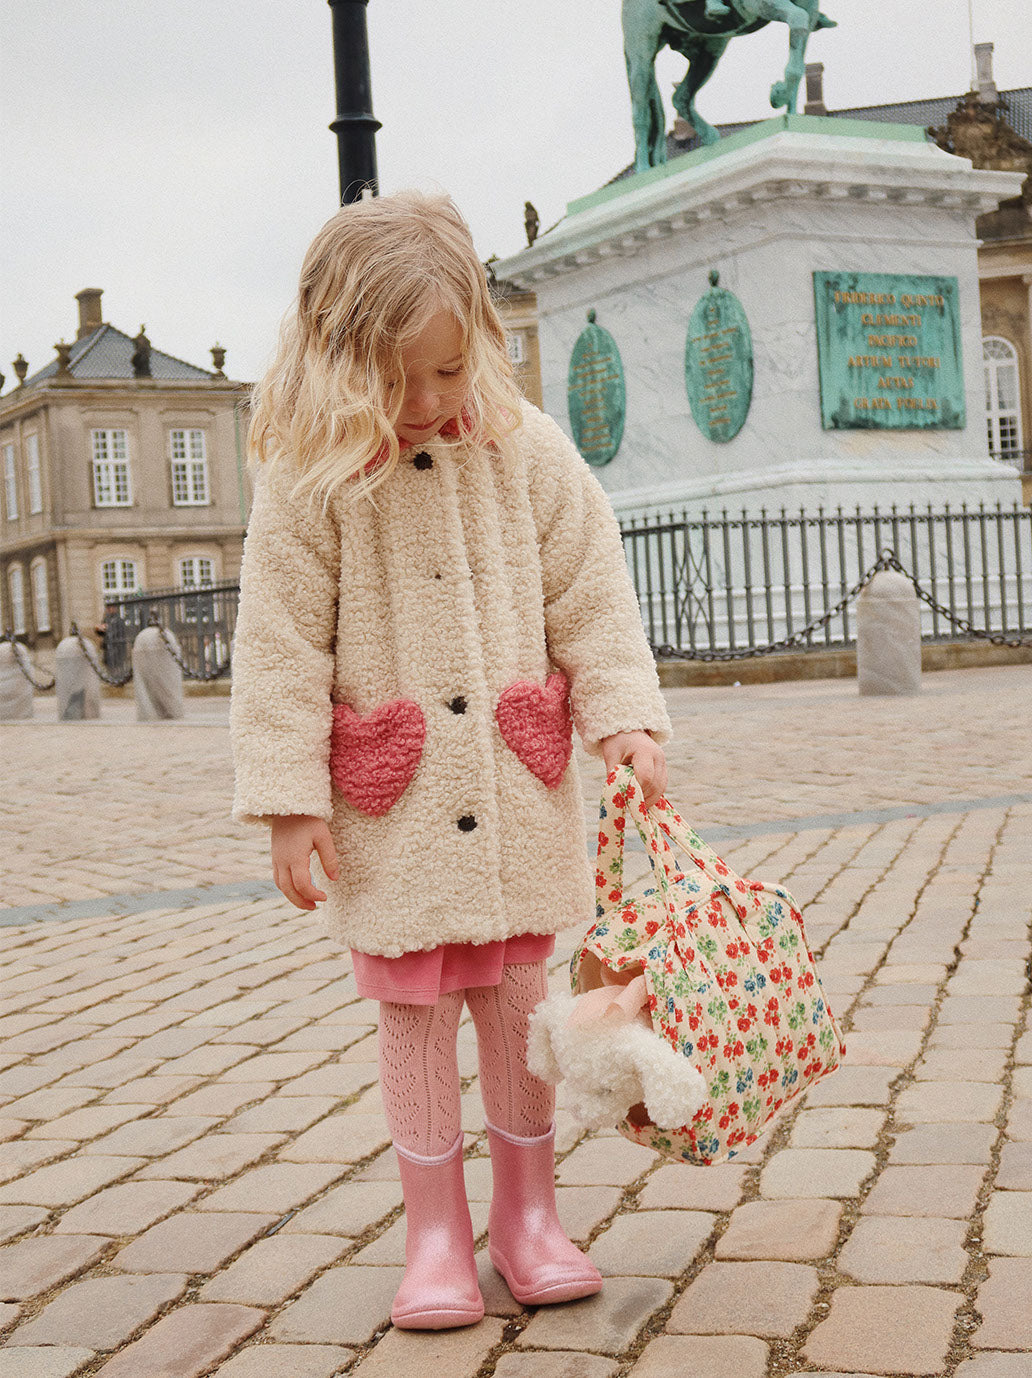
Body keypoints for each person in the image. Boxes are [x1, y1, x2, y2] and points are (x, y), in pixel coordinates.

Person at [230, 190, 672, 1331]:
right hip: (397, 805)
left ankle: (530, 1217)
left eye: (444, 371)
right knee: (416, 1022)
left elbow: (591, 593)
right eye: (394, 379)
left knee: (522, 1011)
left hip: (514, 790)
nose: (425, 402)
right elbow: (279, 642)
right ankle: (435, 1235)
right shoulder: (310, 477)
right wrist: (287, 801)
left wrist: (623, 714)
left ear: (477, 339)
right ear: (335, 361)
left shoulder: (528, 452)